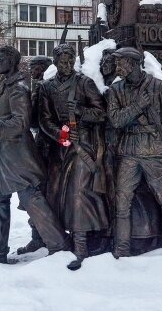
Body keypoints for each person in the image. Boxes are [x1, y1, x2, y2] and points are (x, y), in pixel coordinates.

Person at [0, 46, 70, 264]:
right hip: (6, 151)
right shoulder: (7, 84)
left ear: (12, 62)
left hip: (19, 155)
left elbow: (21, 123)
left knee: (30, 198)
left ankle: (60, 244)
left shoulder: (18, 88)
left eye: (0, 59)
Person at [107, 47, 162, 258]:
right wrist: (137, 106)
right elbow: (116, 120)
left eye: (121, 63)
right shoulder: (116, 89)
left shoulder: (159, 87)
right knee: (122, 201)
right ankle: (122, 249)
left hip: (154, 151)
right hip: (128, 151)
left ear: (133, 64)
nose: (117, 68)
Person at [39, 43, 109, 270]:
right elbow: (44, 119)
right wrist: (59, 134)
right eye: (63, 61)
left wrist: (81, 112)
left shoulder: (84, 83)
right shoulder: (47, 88)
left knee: (79, 194)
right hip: (61, 149)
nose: (67, 65)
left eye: (70, 61)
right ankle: (62, 240)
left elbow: (101, 113)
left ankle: (81, 246)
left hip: (84, 147)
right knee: (57, 195)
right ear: (55, 62)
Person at [16, 55, 53, 256]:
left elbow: (40, 121)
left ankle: (51, 237)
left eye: (38, 68)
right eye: (33, 69)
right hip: (39, 145)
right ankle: (38, 237)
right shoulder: (33, 89)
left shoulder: (49, 88)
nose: (35, 72)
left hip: (53, 146)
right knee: (35, 193)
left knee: (48, 194)